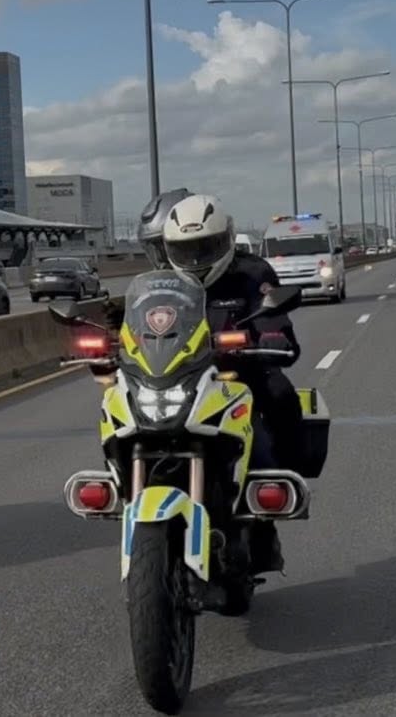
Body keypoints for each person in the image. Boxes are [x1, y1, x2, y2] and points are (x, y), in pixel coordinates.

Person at [104, 190, 303, 574]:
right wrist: (117, 334)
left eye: (205, 247)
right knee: (117, 412)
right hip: (175, 379)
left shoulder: (252, 273)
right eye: (186, 249)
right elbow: (147, 321)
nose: (195, 258)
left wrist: (272, 335)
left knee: (278, 397)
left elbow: (272, 317)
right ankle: (123, 488)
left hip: (236, 376)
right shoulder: (161, 283)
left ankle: (267, 510)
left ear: (225, 240)